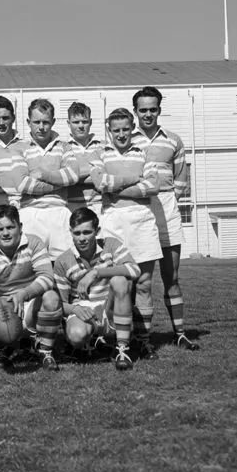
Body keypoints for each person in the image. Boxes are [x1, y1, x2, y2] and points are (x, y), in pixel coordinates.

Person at [131, 86, 200, 351]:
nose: (148, 114)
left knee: (171, 276)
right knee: (140, 279)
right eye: (143, 110)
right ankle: (142, 338)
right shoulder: (127, 138)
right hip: (139, 212)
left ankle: (180, 332)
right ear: (135, 111)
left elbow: (182, 181)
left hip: (167, 210)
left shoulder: (173, 140)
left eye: (153, 109)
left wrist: (168, 206)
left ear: (159, 110)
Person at [90, 107, 161, 360]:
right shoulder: (100, 153)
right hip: (112, 223)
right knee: (116, 283)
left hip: (142, 222)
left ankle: (143, 341)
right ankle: (110, 337)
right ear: (109, 131)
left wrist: (116, 189)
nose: (121, 134)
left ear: (133, 128)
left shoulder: (145, 152)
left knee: (143, 283)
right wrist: (135, 178)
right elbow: (100, 183)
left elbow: (154, 186)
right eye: (116, 130)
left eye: (126, 129)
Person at [0, 204, 63, 371]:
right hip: (2, 307)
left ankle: (45, 350)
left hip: (30, 303)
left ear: (20, 227)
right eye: (0, 228)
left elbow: (47, 277)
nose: (5, 233)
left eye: (10, 227)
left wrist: (24, 294)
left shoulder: (34, 243)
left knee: (52, 298)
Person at [53, 207, 141, 370]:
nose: (82, 238)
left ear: (97, 231)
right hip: (84, 311)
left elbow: (135, 270)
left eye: (87, 232)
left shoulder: (111, 245)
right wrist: (75, 309)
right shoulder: (63, 261)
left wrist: (96, 272)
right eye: (77, 233)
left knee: (120, 280)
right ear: (70, 232)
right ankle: (91, 341)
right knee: (77, 335)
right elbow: (59, 304)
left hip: (110, 308)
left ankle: (122, 349)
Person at [15, 98, 80, 260]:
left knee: (64, 264)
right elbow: (22, 184)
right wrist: (59, 182)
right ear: (28, 122)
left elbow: (72, 176)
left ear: (53, 122)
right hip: (30, 212)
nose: (41, 127)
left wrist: (43, 175)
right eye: (36, 122)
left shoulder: (64, 146)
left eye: (46, 122)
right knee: (31, 265)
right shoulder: (20, 148)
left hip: (59, 211)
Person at [62, 102, 106, 215]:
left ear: (90, 122)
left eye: (84, 121)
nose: (81, 126)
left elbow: (109, 174)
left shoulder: (103, 146)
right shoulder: (62, 148)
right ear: (68, 123)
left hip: (100, 205)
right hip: (71, 206)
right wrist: (95, 173)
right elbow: (64, 178)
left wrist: (76, 174)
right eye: (76, 122)